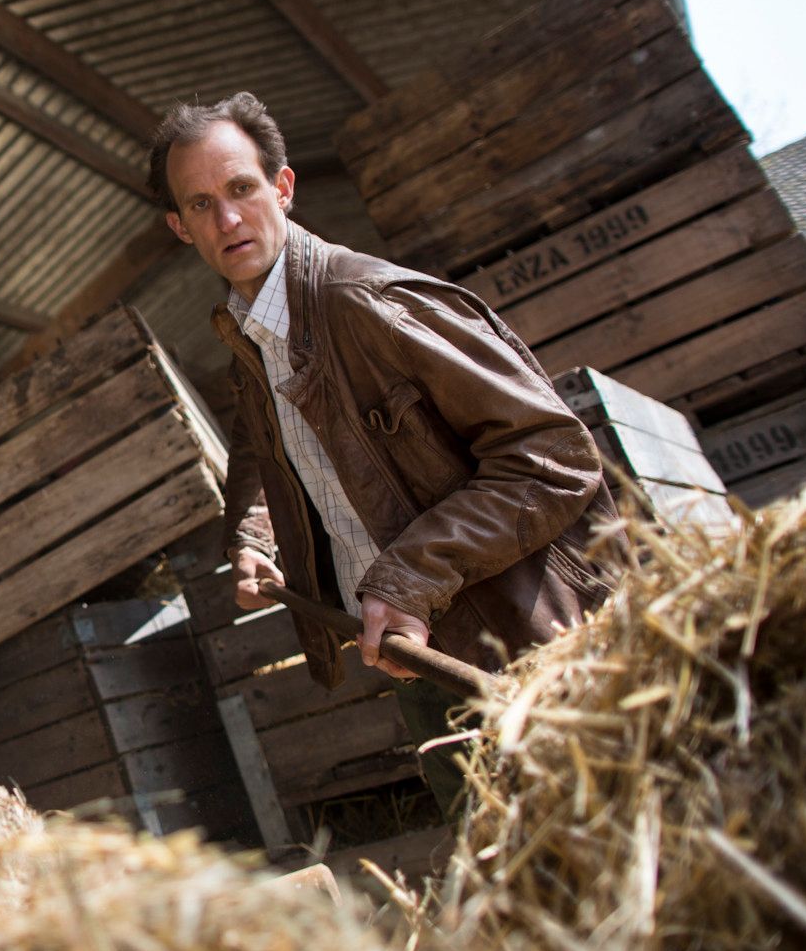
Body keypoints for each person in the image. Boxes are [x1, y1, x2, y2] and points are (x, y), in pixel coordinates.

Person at [152, 92, 624, 810]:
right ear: (180, 228)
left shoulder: (364, 302)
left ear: (282, 187)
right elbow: (260, 451)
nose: (228, 219)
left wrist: (407, 580)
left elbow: (554, 456)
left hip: (519, 649)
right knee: (501, 880)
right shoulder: (248, 337)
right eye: (201, 204)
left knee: (600, 856)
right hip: (416, 660)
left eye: (242, 189)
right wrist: (255, 537)